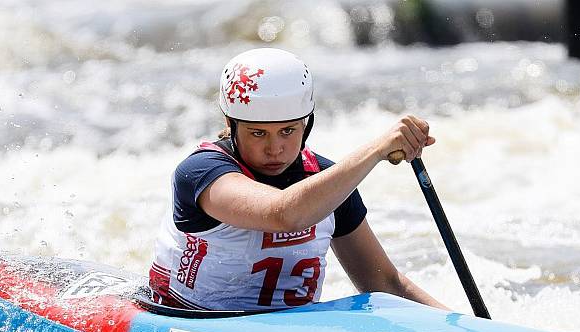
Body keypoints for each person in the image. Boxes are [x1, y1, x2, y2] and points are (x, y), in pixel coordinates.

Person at [150, 47, 448, 312]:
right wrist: (376, 150)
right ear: (230, 124)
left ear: (306, 124)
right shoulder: (202, 172)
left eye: (288, 131)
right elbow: (282, 214)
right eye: (258, 133)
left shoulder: (328, 181)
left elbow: (386, 284)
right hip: (194, 325)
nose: (275, 148)